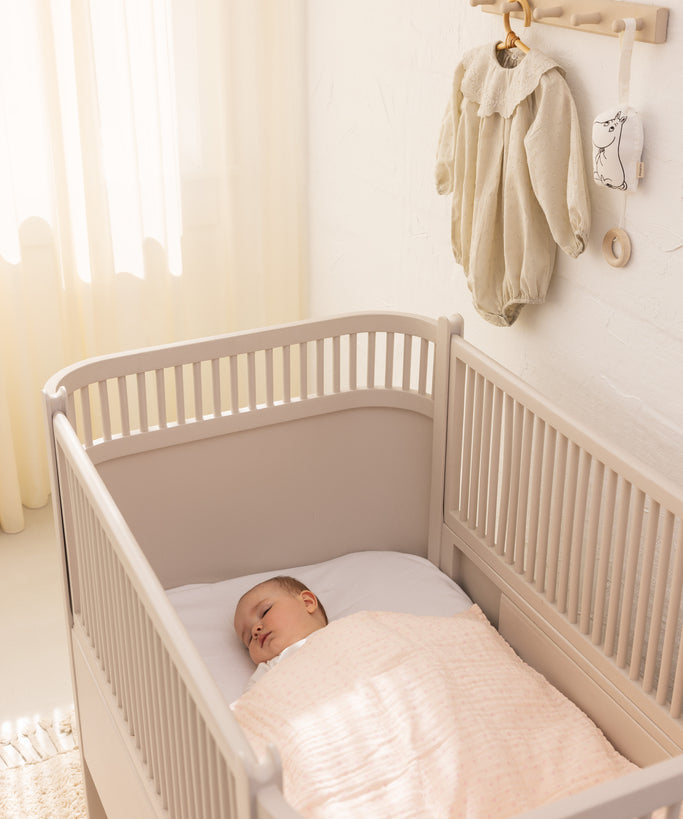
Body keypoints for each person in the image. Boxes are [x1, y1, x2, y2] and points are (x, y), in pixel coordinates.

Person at [233, 576, 328, 682]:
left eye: (265, 611)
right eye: (249, 638)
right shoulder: (266, 674)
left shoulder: (338, 631)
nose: (255, 630)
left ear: (307, 602)